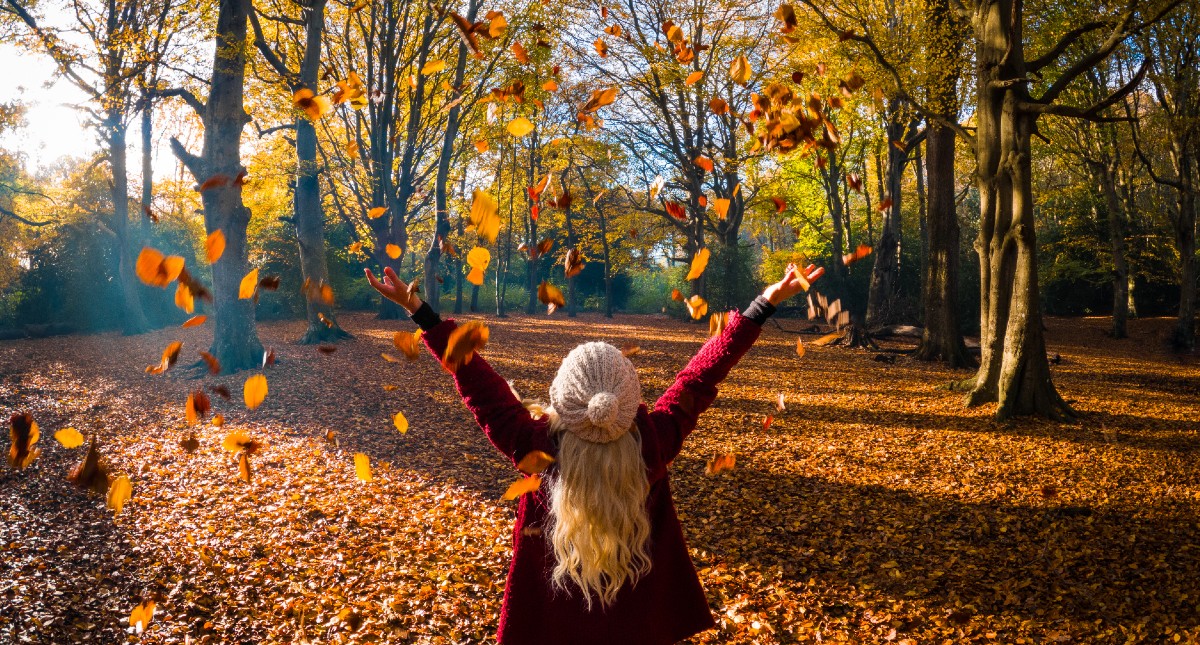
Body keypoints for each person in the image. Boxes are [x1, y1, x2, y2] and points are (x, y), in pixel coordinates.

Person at [365, 264, 812, 645]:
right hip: (640, 626)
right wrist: (762, 305)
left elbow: (480, 383)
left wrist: (420, 312)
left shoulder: (534, 444)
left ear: (564, 397)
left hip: (552, 626)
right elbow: (701, 374)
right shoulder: (655, 440)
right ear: (628, 395)